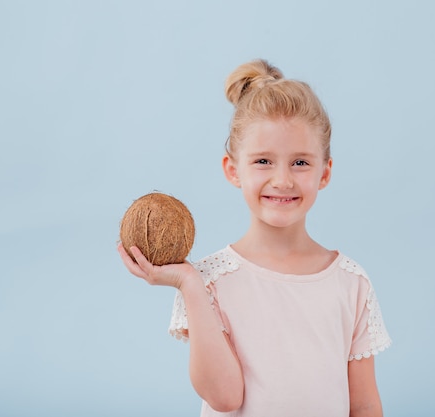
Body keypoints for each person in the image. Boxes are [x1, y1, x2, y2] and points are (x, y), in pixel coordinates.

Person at [118, 59, 391, 417]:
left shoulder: (351, 283)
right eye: (263, 161)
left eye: (300, 163)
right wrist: (188, 283)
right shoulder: (208, 281)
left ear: (325, 172)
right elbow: (225, 397)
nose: (282, 180)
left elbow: (366, 404)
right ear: (234, 170)